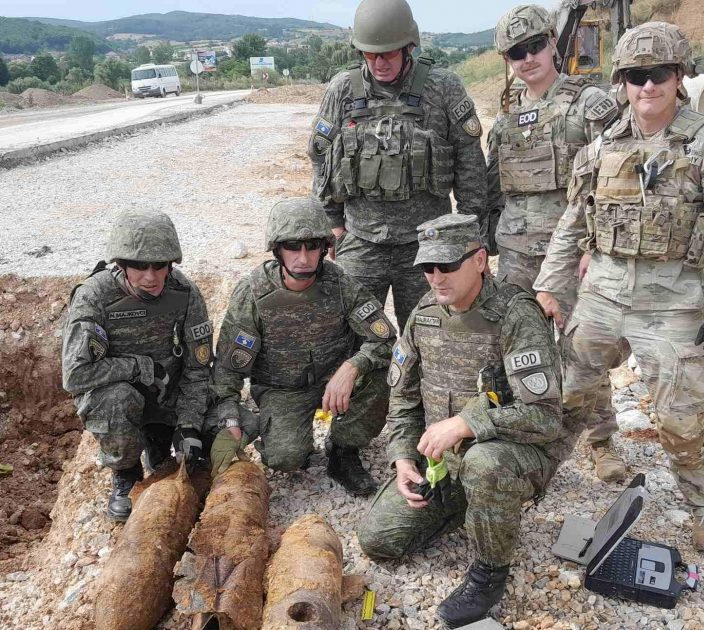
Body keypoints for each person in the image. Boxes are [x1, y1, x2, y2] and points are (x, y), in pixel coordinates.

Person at [534, 22, 704, 551]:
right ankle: (560, 465)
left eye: (659, 74)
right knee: (571, 390)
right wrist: (550, 286)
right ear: (623, 81)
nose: (648, 86)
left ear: (679, 76)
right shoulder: (601, 148)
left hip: (674, 302)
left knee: (681, 417)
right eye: (636, 76)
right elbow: (572, 222)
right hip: (604, 294)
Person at [358, 214, 562, 628]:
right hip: (444, 461)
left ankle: (489, 571)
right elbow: (404, 396)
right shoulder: (426, 312)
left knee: (485, 465)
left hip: (510, 455)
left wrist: (467, 423)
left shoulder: (516, 316)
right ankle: (470, 504)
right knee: (379, 540)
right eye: (427, 268)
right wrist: (401, 458)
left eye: (447, 266)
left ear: (480, 260)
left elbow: (544, 418)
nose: (436, 278)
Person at [487, 4, 627, 481]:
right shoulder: (507, 120)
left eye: (533, 47)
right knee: (518, 346)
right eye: (514, 53)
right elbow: (495, 192)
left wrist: (593, 246)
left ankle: (601, 439)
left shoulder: (590, 104)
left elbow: (614, 180)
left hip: (569, 255)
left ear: (552, 44)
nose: (526, 59)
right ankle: (525, 429)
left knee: (580, 350)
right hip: (516, 255)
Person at [308, 0, 486, 332]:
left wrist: (471, 238)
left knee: (433, 334)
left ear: (408, 47)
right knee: (352, 337)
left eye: (387, 53)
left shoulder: (442, 87)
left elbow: (470, 164)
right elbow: (322, 160)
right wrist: (332, 226)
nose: (379, 63)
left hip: (429, 243)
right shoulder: (343, 90)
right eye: (370, 54)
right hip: (360, 241)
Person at [210, 198, 395, 496]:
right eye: (293, 247)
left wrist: (352, 367)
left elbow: (385, 339)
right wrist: (230, 419)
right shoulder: (254, 293)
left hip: (335, 384)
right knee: (285, 459)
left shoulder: (340, 284)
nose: (303, 257)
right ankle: (271, 426)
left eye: (312, 247)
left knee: (383, 371)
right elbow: (228, 368)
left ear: (324, 249)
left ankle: (343, 451)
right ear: (278, 250)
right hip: (283, 390)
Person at [62, 209, 213, 521]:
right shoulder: (94, 297)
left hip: (167, 391)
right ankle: (126, 473)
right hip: (119, 396)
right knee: (117, 400)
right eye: (139, 267)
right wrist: (139, 367)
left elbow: (198, 369)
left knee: (217, 428)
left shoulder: (184, 295)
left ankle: (160, 443)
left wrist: (189, 426)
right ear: (121, 264)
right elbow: (75, 376)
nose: (151, 277)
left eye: (160, 266)